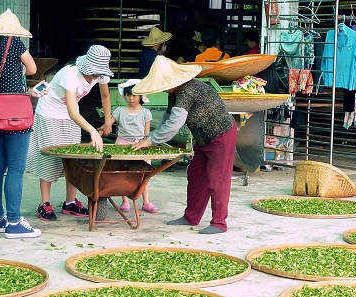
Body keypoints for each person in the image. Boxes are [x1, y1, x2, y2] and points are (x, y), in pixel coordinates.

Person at [132, 57, 237, 234]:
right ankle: (191, 217)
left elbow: (174, 124)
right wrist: (150, 137)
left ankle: (219, 223)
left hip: (221, 135)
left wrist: (151, 140)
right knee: (196, 174)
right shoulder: (174, 94)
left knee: (217, 178)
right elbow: (168, 117)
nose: (164, 88)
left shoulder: (188, 91)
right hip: (203, 138)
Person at [27, 45, 115, 221]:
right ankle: (44, 204)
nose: (97, 76)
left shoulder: (101, 74)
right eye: (94, 72)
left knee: (73, 158)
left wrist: (107, 122)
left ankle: (70, 202)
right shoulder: (71, 74)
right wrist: (92, 131)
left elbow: (105, 96)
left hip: (70, 114)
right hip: (50, 112)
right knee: (50, 157)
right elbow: (72, 111)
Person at [0, 9, 46, 239]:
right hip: (16, 113)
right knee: (16, 169)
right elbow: (32, 69)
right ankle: (15, 222)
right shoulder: (15, 44)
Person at [111, 79, 158, 213]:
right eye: (128, 95)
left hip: (140, 146)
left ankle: (146, 202)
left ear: (141, 96)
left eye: (134, 95)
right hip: (122, 145)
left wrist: (145, 144)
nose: (131, 98)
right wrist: (103, 128)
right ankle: (125, 201)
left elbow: (147, 134)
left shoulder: (145, 113)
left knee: (143, 174)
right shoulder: (119, 110)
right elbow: (110, 122)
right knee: (124, 173)